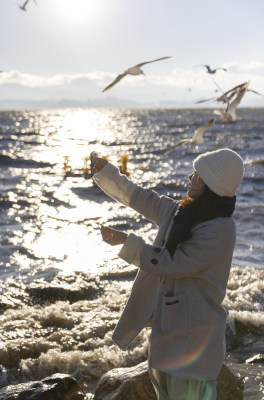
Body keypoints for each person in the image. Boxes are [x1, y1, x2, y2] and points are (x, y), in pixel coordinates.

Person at [91, 148, 244, 400]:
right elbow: (141, 197)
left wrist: (125, 242)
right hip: (168, 335)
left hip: (195, 340)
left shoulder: (221, 228)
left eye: (197, 175)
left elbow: (174, 263)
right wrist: (106, 172)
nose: (190, 178)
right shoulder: (181, 210)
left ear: (211, 184)